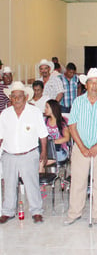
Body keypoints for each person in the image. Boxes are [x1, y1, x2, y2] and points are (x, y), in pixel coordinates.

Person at [64, 68, 97, 226]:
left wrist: (96, 146)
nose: (94, 86)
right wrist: (82, 147)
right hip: (81, 148)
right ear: (85, 85)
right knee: (78, 181)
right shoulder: (78, 102)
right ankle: (74, 213)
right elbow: (72, 126)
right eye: (91, 83)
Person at [0, 81, 48, 224]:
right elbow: (1, 136)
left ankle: (36, 211)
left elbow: (43, 135)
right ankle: (8, 211)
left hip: (29, 154)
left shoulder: (34, 112)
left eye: (19, 96)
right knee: (9, 184)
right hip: (9, 154)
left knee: (31, 184)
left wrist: (44, 152)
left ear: (26, 97)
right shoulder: (5, 114)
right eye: (13, 96)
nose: (16, 99)